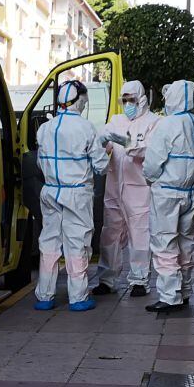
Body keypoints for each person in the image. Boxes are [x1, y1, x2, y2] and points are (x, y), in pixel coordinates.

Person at [34, 80, 110, 312]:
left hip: (49, 191)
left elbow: (40, 162)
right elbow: (101, 166)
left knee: (49, 243)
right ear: (79, 100)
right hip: (76, 193)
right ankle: (78, 297)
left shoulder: (45, 128)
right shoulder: (86, 128)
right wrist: (106, 152)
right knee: (77, 243)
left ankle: (45, 296)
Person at [142, 79, 194, 313]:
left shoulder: (166, 125)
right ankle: (184, 291)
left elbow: (153, 163)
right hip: (192, 194)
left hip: (167, 193)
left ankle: (168, 296)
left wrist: (151, 179)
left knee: (164, 242)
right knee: (186, 242)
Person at [93, 80, 158, 298]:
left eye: (132, 100)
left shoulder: (153, 122)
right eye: (125, 100)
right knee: (110, 234)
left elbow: (151, 151)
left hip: (139, 189)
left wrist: (129, 144)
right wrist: (102, 142)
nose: (128, 104)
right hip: (114, 187)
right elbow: (102, 145)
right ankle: (106, 279)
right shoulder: (116, 121)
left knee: (139, 236)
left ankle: (139, 280)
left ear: (141, 99)